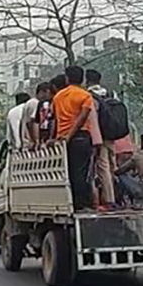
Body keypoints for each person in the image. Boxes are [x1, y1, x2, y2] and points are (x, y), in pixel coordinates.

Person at [52, 66, 99, 210]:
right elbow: (83, 116)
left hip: (61, 140)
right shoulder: (85, 96)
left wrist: (54, 138)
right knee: (81, 172)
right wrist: (70, 135)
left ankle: (70, 202)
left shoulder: (58, 96)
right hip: (80, 137)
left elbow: (55, 120)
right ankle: (82, 204)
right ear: (82, 79)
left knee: (68, 172)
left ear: (67, 78)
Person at [86, 69, 120, 207]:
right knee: (113, 167)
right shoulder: (111, 93)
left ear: (87, 80)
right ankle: (117, 196)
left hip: (99, 136)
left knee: (102, 168)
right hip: (112, 135)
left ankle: (109, 199)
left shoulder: (89, 96)